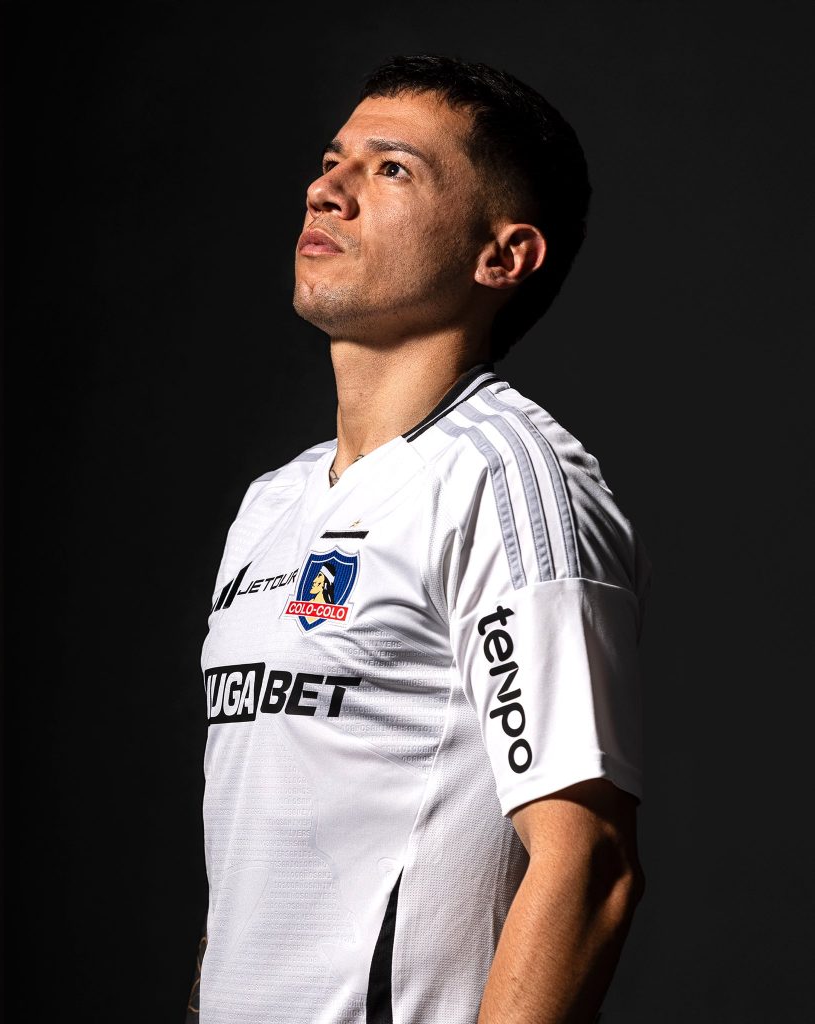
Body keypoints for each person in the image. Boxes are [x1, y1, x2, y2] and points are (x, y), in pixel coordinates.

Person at [189, 54, 651, 1024]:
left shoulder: (507, 479)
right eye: (333, 160)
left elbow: (589, 863)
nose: (328, 189)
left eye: (391, 168)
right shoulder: (271, 503)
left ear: (503, 257)